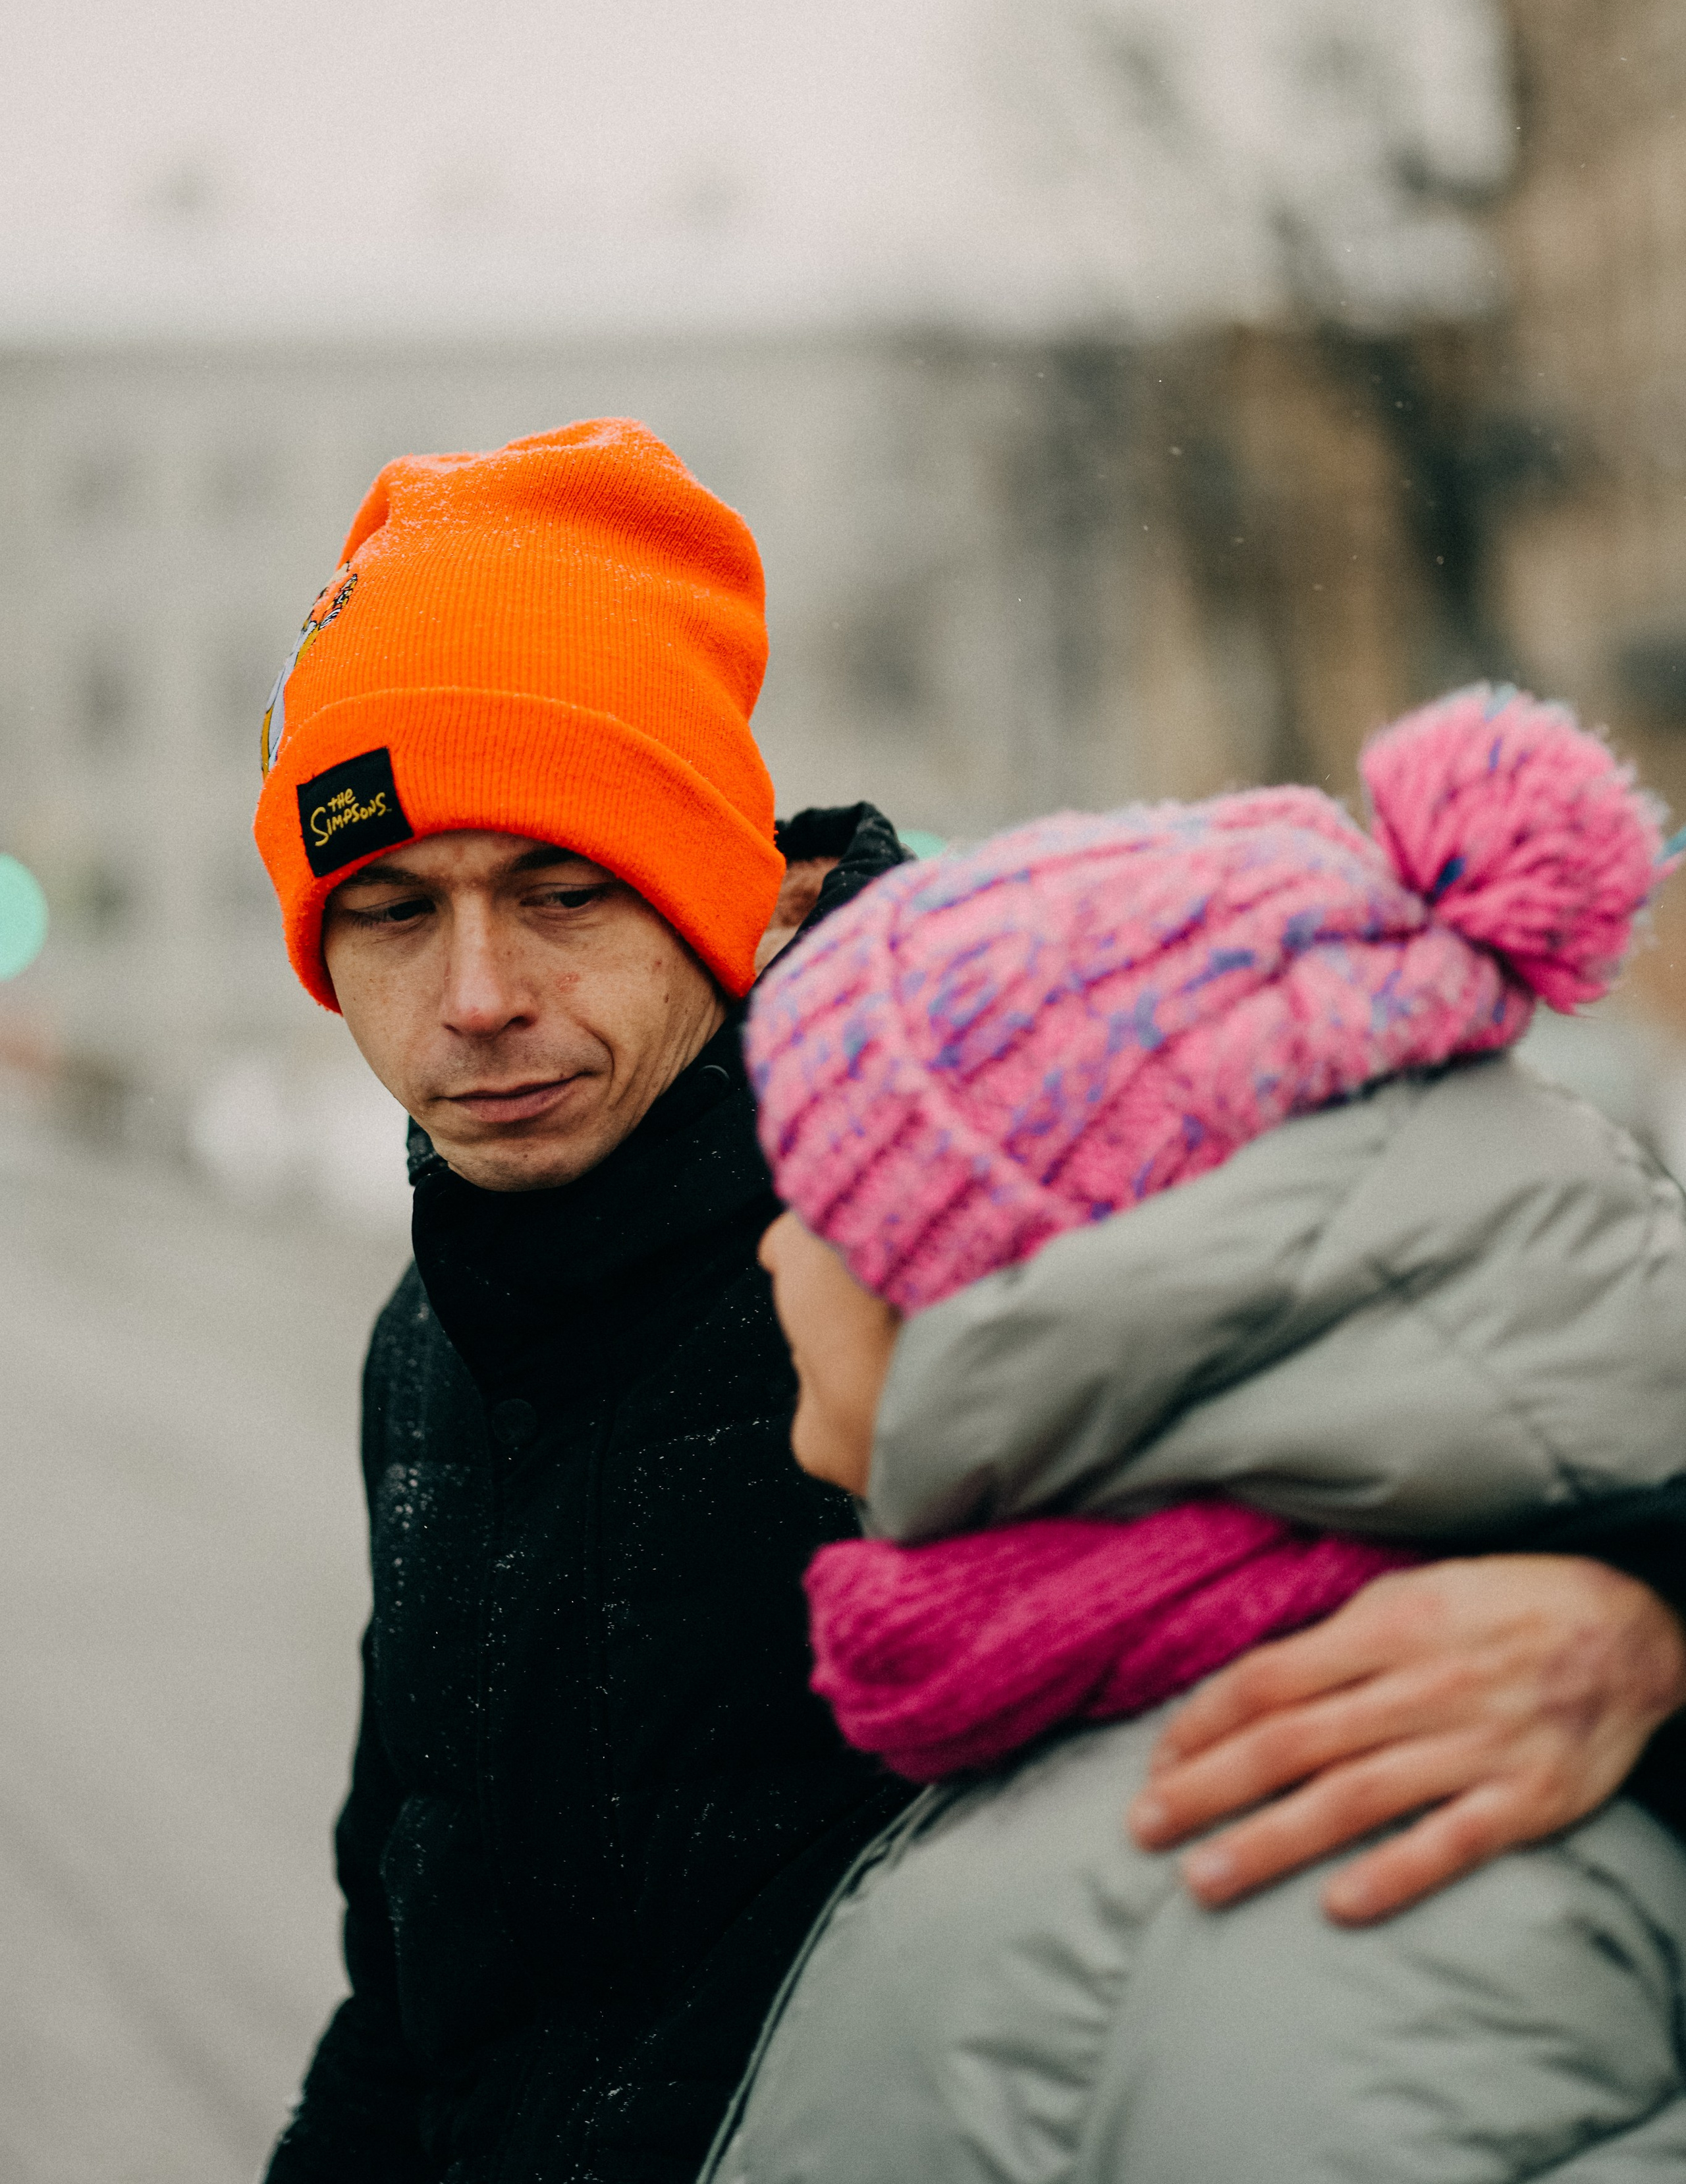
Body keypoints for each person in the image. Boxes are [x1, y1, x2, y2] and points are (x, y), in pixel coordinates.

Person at [251, 423, 1685, 2184]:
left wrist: (1649, 1615)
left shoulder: (982, 1190)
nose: (476, 995)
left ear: (711, 887)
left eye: (562, 891)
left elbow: (1505, 1355)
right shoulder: (436, 1338)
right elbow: (418, 1986)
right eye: (391, 911)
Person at [707, 686, 1686, 2184]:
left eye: (817, 1195)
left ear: (996, 1276)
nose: (772, 1251)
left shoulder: (1332, 1866)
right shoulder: (1143, 1673)